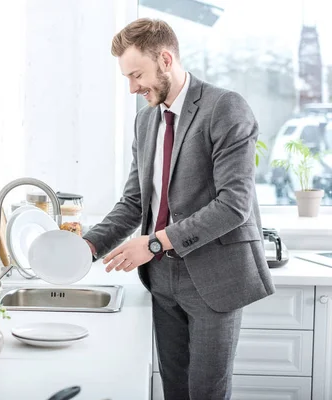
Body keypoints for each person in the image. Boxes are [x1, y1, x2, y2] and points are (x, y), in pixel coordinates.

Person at [82, 18, 274, 400]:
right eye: (128, 78)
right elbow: (135, 202)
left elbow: (233, 205)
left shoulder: (225, 108)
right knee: (174, 389)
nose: (133, 88)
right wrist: (86, 246)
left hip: (213, 279)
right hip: (161, 281)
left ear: (165, 59)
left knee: (205, 392)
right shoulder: (145, 121)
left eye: (137, 75)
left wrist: (154, 243)